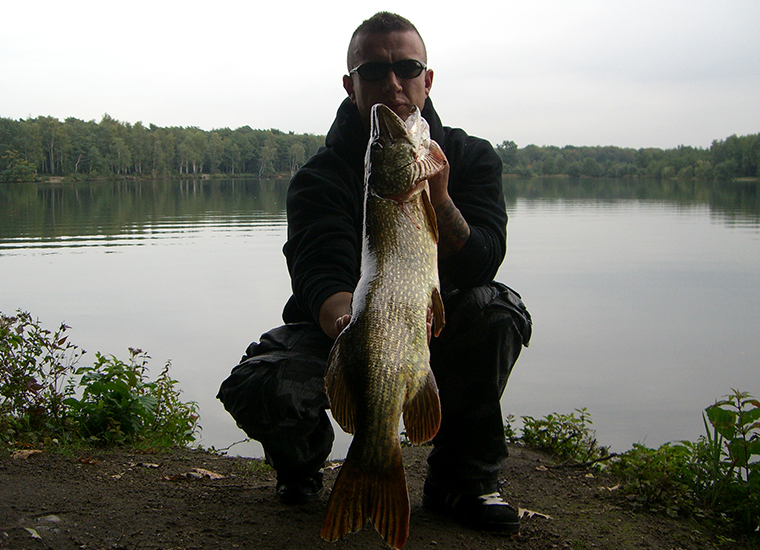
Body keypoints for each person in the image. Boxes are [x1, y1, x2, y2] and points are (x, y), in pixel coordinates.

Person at [217, 11, 532, 533]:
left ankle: (464, 479)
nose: (393, 83)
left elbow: (482, 260)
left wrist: (439, 198)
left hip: (439, 326)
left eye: (407, 68)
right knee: (264, 382)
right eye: (373, 72)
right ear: (350, 84)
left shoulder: (471, 157)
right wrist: (363, 334)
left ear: (427, 79)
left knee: (496, 310)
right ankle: (303, 467)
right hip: (346, 329)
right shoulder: (319, 176)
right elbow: (320, 276)